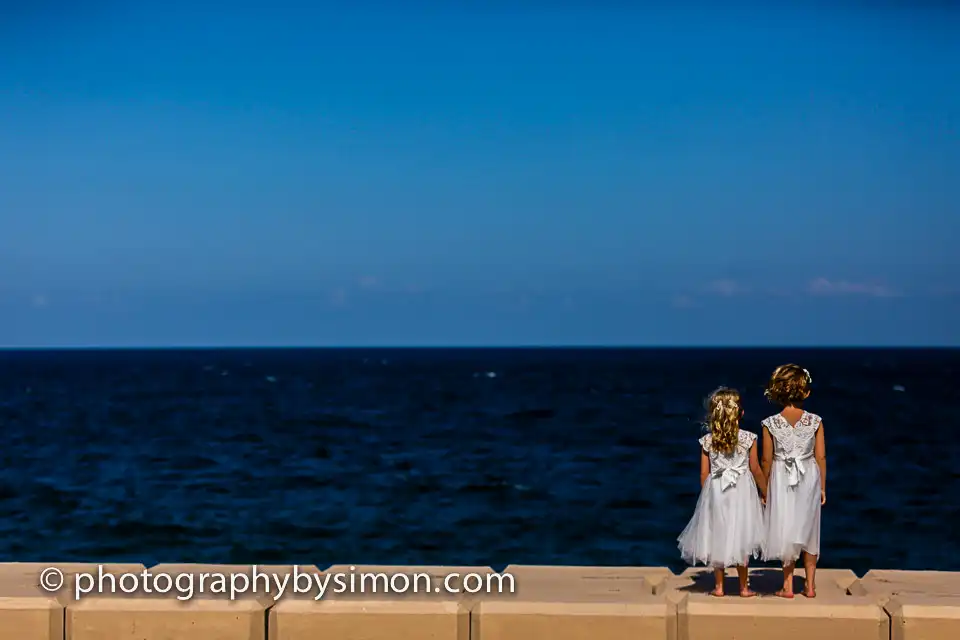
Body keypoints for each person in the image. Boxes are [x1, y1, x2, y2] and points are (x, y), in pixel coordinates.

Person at [678, 387, 767, 597]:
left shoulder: (708, 441)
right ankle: (744, 587)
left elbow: (703, 473)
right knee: (742, 534)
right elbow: (755, 468)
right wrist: (765, 492)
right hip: (742, 492)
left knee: (719, 533)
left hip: (717, 490)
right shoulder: (749, 439)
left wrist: (706, 495)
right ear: (740, 413)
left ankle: (719, 587)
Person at [760, 364, 827, 599]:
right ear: (806, 392)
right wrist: (823, 487)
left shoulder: (769, 424)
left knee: (786, 526)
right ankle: (809, 586)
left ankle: (787, 585)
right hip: (809, 477)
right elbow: (820, 457)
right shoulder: (816, 421)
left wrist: (764, 488)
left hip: (781, 478)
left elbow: (766, 460)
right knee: (809, 529)